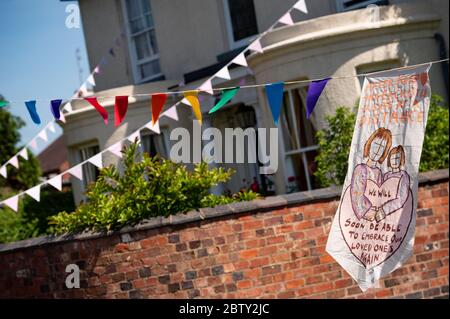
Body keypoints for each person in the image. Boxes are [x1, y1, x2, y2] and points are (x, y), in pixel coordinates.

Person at [350, 128, 392, 221]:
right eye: (376, 145)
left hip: (377, 218)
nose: (377, 150)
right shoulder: (360, 169)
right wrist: (369, 213)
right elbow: (357, 197)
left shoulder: (378, 172)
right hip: (364, 219)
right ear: (370, 143)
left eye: (382, 147)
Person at [375, 145, 411, 222]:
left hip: (395, 214)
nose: (394, 161)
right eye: (392, 158)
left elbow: (401, 199)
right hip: (380, 214)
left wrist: (384, 210)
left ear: (401, 159)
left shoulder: (403, 176)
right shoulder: (386, 175)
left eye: (397, 158)